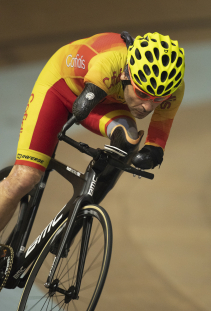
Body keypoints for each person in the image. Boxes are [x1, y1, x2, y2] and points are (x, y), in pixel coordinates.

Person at [0, 31, 185, 233]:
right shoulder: (110, 62)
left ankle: (76, 218)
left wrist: (152, 152)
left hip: (105, 102)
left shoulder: (174, 89)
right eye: (141, 93)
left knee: (129, 139)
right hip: (60, 87)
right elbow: (81, 107)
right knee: (25, 178)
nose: (147, 108)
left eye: (157, 99)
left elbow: (159, 131)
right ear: (125, 74)